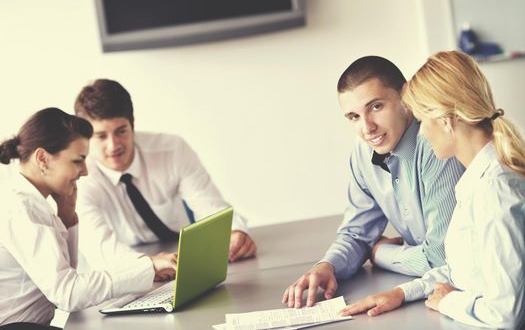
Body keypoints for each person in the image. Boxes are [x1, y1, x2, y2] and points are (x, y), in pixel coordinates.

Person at [340, 51, 525, 329]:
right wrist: (402, 293)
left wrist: (448, 302)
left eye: (423, 119)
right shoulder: (475, 181)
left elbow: (507, 313)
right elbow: (461, 268)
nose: (422, 132)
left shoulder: (496, 191)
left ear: (446, 120)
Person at [283, 56, 465, 308]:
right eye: (353, 116)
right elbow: (357, 233)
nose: (366, 128)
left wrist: (380, 254)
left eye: (376, 107)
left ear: (405, 96)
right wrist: (328, 265)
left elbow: (442, 257)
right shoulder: (363, 153)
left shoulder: (438, 146)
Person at [0, 108, 177, 326]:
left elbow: (66, 277)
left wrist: (67, 218)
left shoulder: (33, 202)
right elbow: (68, 294)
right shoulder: (22, 209)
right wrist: (147, 267)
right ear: (42, 158)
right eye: (78, 160)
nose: (85, 171)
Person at [73, 79, 256, 269]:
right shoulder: (78, 177)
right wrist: (148, 266)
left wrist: (232, 233)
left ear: (133, 124)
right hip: (122, 272)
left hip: (183, 261)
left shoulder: (172, 150)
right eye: (101, 136)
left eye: (121, 132)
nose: (113, 145)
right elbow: (100, 250)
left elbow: (210, 206)